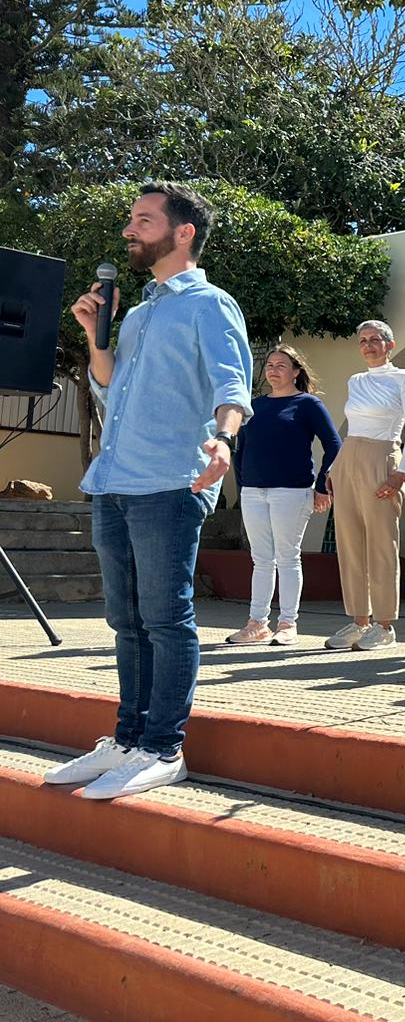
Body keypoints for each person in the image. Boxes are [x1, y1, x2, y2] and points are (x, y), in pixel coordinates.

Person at [46, 182, 250, 800]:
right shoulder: (136, 311)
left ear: (182, 232)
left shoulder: (209, 304)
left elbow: (232, 381)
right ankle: (128, 739)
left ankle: (163, 748)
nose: (130, 230)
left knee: (165, 618)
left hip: (170, 480)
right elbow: (109, 385)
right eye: (131, 220)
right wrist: (93, 335)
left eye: (144, 219)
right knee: (126, 620)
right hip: (114, 480)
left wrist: (224, 440)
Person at [226, 346, 341, 647]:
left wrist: (321, 485)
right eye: (270, 365)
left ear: (296, 371)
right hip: (253, 492)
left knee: (288, 558)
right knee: (261, 559)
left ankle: (288, 624)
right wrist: (243, 485)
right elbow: (241, 450)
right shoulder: (254, 407)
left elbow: (334, 444)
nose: (274, 369)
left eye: (281, 365)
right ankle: (256, 624)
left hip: (291, 492)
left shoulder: (308, 405)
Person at [323, 321, 405, 652]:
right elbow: (351, 426)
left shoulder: (404, 378)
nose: (368, 345)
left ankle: (384, 624)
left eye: (375, 340)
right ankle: (359, 619)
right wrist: (335, 467)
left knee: (382, 542)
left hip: (382, 458)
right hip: (349, 457)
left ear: (389, 344)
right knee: (350, 543)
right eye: (362, 340)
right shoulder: (356, 380)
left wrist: (402, 472)